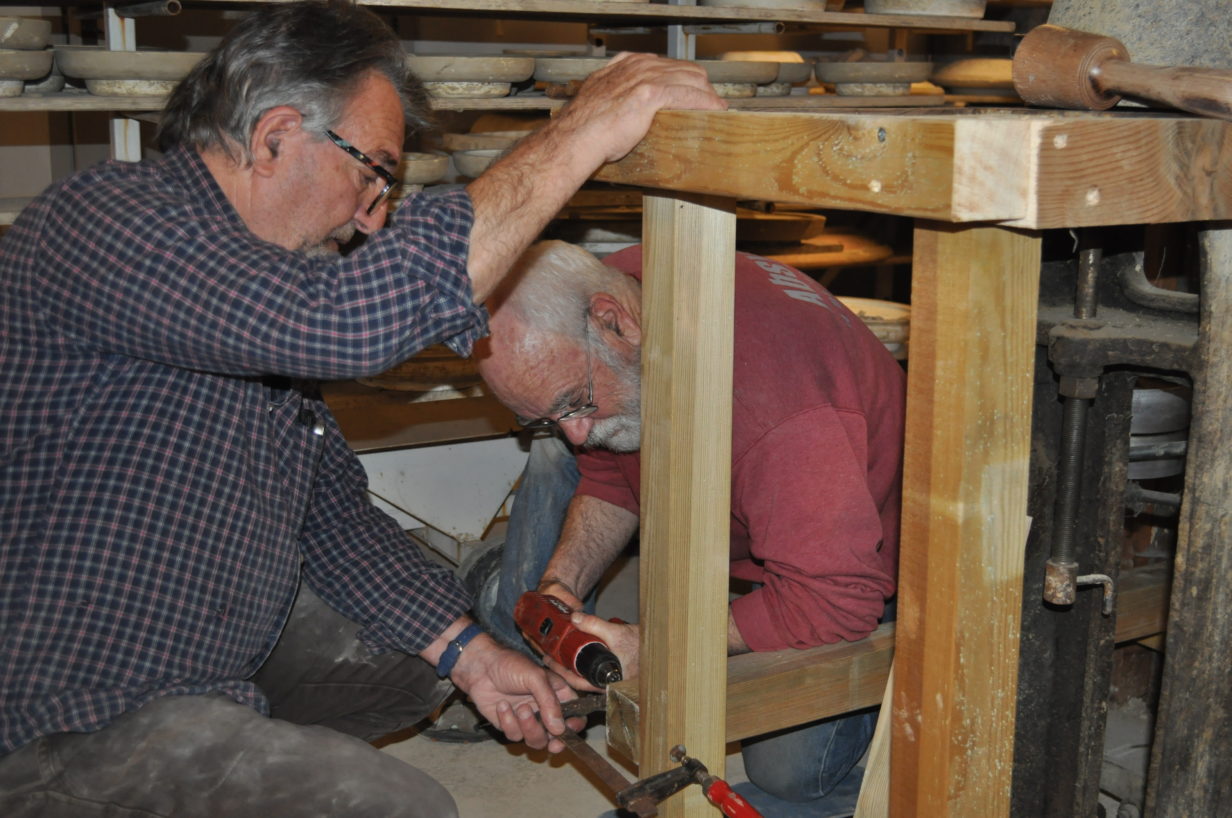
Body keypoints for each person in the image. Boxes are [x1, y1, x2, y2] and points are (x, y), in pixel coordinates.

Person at [0, 1, 725, 815]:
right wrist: (583, 129)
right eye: (373, 171)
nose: (373, 216)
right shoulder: (105, 223)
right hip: (66, 712)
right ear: (275, 137)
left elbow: (332, 515)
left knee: (416, 657)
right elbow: (350, 326)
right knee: (404, 807)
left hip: (194, 655)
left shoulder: (250, 290)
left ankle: (231, 747)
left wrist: (474, 657)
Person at [469, 240, 906, 815]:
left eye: (575, 403)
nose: (575, 434)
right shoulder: (631, 285)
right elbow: (612, 476)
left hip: (860, 570)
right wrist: (561, 587)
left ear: (613, 321)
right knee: (566, 452)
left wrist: (661, 648)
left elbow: (835, 601)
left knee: (788, 776)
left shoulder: (776, 407)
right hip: (780, 518)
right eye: (549, 417)